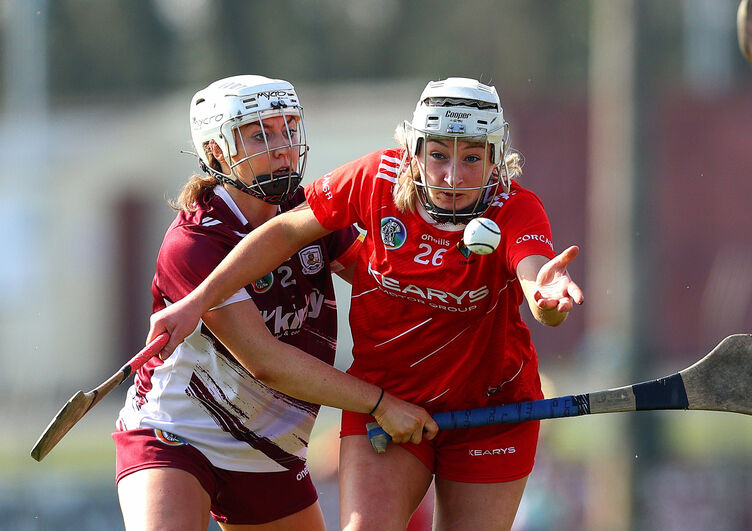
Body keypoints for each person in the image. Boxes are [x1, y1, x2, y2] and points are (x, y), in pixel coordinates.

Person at [147, 77, 583, 531]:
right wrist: (196, 302)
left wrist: (545, 296)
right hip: (389, 400)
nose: (452, 176)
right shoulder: (375, 180)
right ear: (413, 150)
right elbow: (285, 232)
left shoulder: (516, 207)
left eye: (472, 157)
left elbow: (537, 279)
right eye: (437, 155)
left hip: (492, 410)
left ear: (496, 159)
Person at [114, 75, 435, 531]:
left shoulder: (308, 212)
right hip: (179, 435)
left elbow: (385, 285)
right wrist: (380, 403)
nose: (282, 146)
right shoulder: (194, 244)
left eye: (287, 128)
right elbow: (265, 361)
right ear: (217, 151)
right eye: (261, 133)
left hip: (270, 450)